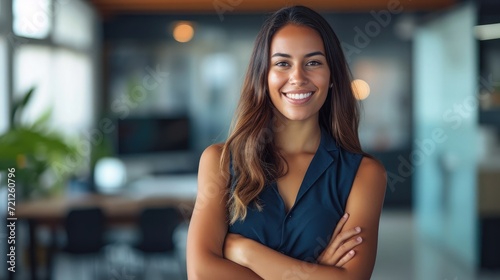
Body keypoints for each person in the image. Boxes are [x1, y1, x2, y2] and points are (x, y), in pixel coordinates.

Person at [187, 5, 386, 280]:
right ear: (263, 76)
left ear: (332, 77)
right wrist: (314, 273)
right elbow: (200, 274)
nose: (298, 77)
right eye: (282, 63)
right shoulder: (219, 162)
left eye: (313, 62)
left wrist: (245, 252)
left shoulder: (364, 174)